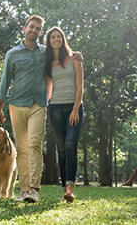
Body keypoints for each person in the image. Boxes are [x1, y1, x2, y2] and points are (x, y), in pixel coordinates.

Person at [0, 15, 83, 203]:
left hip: (39, 105)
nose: (34, 30)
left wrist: (76, 55)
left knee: (35, 144)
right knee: (21, 148)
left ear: (40, 32)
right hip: (16, 105)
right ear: (24, 28)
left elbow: (63, 57)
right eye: (32, 27)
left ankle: (34, 190)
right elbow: (4, 82)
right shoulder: (12, 54)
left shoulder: (45, 52)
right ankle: (24, 190)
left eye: (38, 28)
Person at [45, 26, 84, 203]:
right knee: (61, 149)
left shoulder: (74, 58)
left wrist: (76, 108)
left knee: (70, 145)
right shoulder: (48, 63)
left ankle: (70, 187)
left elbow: (80, 86)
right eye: (52, 37)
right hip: (55, 109)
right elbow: (47, 89)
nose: (56, 39)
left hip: (73, 107)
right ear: (49, 41)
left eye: (58, 36)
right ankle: (64, 190)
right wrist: (44, 107)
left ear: (63, 39)